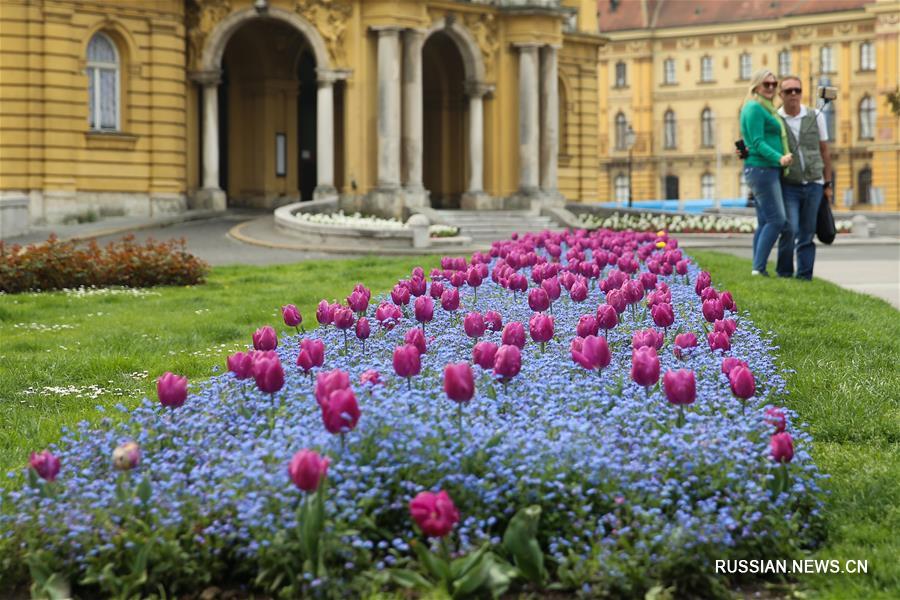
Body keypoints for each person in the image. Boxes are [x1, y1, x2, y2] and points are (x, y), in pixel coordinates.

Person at [777, 75, 833, 280]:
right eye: (789, 91)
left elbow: (825, 150)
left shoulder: (815, 115)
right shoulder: (776, 119)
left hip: (814, 184)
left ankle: (804, 276)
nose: (793, 94)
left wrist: (827, 183)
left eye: (797, 90)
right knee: (789, 229)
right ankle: (784, 273)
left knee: (807, 233)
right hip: (789, 184)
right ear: (780, 94)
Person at [739, 69, 794, 277]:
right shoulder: (754, 108)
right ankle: (758, 268)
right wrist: (779, 158)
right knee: (777, 220)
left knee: (765, 221)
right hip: (762, 169)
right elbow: (756, 142)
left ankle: (757, 266)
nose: (771, 88)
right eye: (766, 84)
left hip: (764, 169)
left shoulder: (766, 108)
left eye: (774, 84)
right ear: (756, 86)